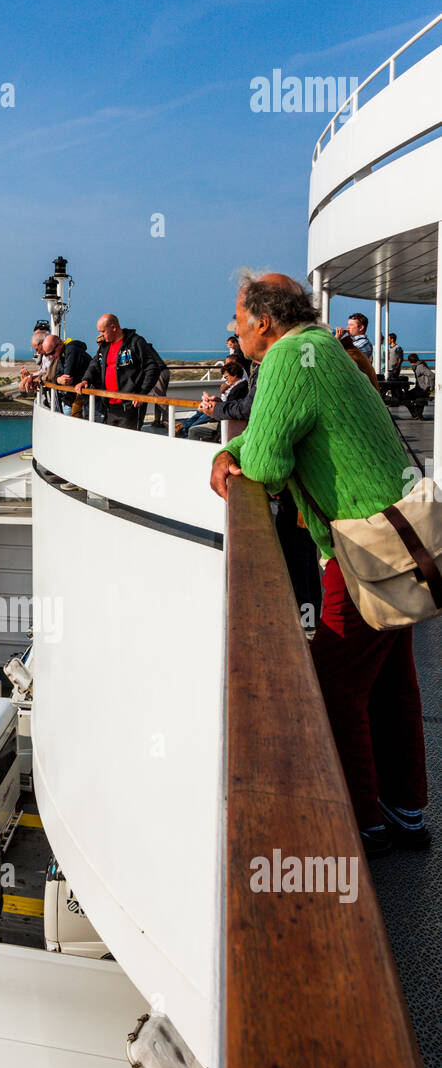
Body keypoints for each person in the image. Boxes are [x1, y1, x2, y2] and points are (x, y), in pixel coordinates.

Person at [210, 272, 429, 857]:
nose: (233, 329)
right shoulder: (324, 347)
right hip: (401, 542)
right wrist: (236, 447)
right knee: (390, 681)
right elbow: (265, 437)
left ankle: (363, 826)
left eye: (237, 317)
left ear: (263, 321)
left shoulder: (286, 360)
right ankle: (406, 811)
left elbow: (267, 463)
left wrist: (226, 454)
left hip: (365, 553)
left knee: (333, 684)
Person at [75, 314, 165, 430]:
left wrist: (142, 393)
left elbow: (152, 368)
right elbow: (94, 364)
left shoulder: (135, 342)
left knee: (128, 443)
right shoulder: (105, 346)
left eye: (103, 331)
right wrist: (85, 380)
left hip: (130, 406)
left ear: (113, 327)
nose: (100, 335)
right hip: (109, 405)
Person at [178, 359, 247, 439]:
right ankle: (182, 428)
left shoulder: (238, 389)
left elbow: (229, 408)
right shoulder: (237, 386)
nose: (226, 379)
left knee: (196, 425)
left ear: (234, 375)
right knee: (200, 412)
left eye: (227, 377)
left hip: (225, 421)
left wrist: (215, 404)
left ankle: (184, 431)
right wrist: (216, 399)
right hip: (224, 414)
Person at [25, 332, 90, 413]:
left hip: (82, 397)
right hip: (71, 398)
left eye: (51, 353)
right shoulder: (61, 353)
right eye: (49, 354)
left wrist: (57, 379)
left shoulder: (71, 349)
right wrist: (58, 379)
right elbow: (57, 375)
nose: (51, 356)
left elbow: (66, 377)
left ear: (59, 344)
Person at [406, 352, 434, 418]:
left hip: (423, 389)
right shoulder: (418, 366)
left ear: (410, 361)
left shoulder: (420, 367)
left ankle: (415, 414)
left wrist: (432, 387)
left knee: (405, 397)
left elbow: (432, 375)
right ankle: (417, 414)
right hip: (420, 388)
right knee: (410, 396)